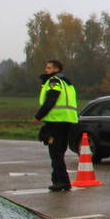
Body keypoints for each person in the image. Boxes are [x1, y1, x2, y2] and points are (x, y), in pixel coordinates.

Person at [33, 59, 78, 192]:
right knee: (60, 152)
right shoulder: (67, 82)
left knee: (55, 153)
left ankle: (61, 181)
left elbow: (51, 99)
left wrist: (38, 116)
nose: (45, 70)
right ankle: (60, 180)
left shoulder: (54, 81)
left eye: (48, 68)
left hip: (56, 121)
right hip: (68, 120)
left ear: (56, 69)